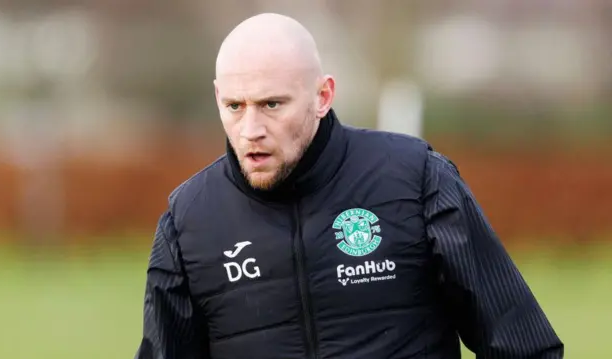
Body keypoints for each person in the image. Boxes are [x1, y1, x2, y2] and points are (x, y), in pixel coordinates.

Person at [134, 12, 563, 359]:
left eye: (271, 104)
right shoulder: (189, 221)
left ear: (323, 96)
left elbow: (523, 344)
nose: (251, 129)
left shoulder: (416, 180)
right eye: (234, 106)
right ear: (217, 98)